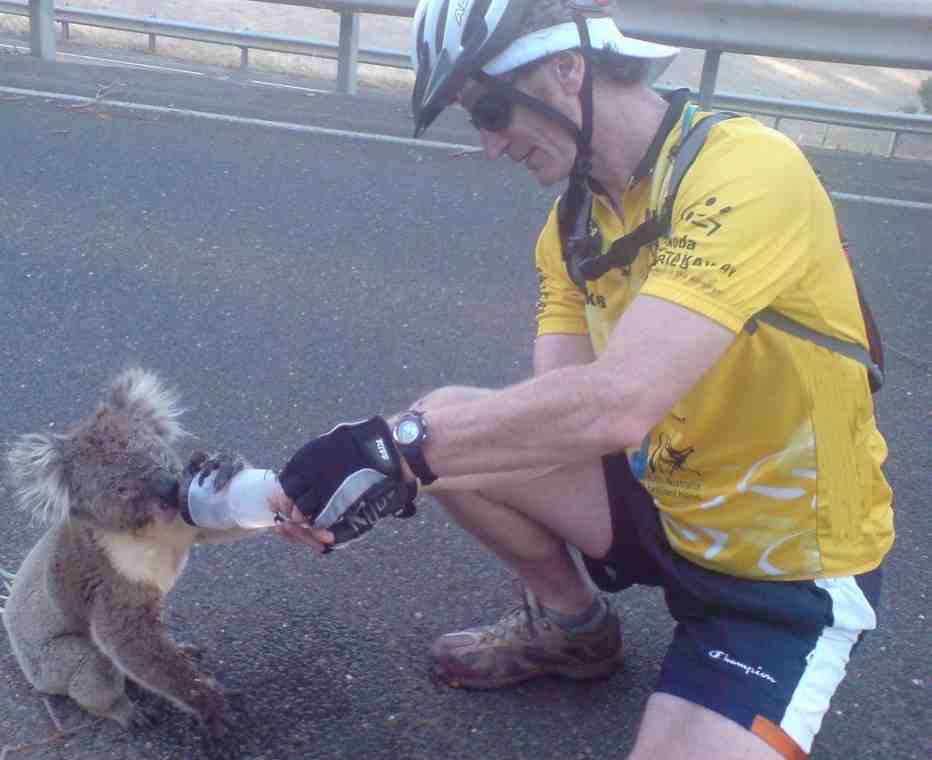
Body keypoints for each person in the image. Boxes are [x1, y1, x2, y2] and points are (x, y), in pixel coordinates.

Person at [272, 1, 895, 758]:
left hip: (783, 575)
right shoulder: (571, 228)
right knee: (451, 425)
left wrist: (397, 446)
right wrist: (400, 462)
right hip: (666, 504)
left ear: (569, 65)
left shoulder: (745, 171)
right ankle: (572, 630)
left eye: (494, 108)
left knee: (429, 436)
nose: (491, 145)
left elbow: (619, 403)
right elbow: (557, 416)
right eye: (477, 119)